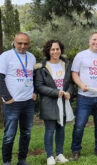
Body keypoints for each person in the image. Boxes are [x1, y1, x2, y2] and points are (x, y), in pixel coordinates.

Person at [70, 32, 97, 161]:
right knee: (79, 125)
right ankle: (76, 150)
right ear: (90, 41)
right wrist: (81, 84)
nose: (96, 42)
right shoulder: (81, 56)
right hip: (84, 97)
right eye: (94, 40)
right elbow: (74, 74)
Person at [0, 32, 37, 165]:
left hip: (28, 102)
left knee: (26, 133)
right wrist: (7, 97)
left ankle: (22, 160)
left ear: (29, 44)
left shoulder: (31, 57)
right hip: (12, 103)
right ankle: (6, 161)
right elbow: (0, 77)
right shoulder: (6, 56)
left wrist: (35, 92)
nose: (22, 46)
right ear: (14, 42)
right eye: (19, 43)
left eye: (25, 43)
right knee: (10, 135)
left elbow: (34, 76)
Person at [35, 40, 73, 165]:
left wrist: (68, 92)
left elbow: (70, 83)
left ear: (61, 50)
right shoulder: (42, 66)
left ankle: (60, 154)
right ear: (48, 51)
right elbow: (39, 86)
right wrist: (56, 92)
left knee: (61, 129)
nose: (55, 51)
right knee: (50, 130)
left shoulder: (66, 64)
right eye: (52, 49)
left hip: (63, 102)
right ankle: (50, 156)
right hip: (49, 103)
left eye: (57, 49)